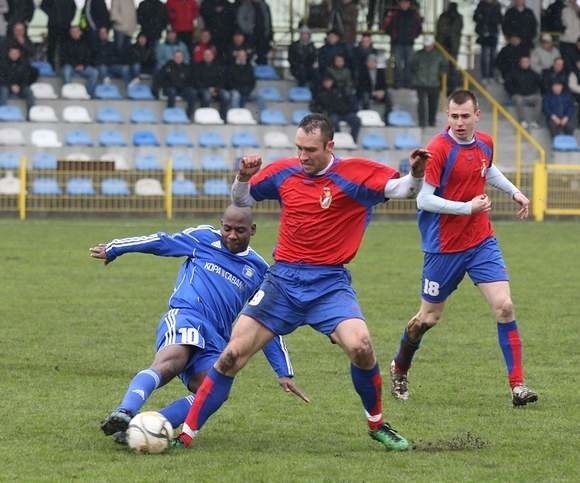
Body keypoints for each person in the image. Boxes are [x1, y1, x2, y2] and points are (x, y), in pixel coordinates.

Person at [174, 113, 430, 451]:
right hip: (282, 280)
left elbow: (403, 190)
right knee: (231, 356)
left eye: (310, 149)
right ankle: (186, 435)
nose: (303, 156)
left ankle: (377, 424)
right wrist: (242, 178)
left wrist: (416, 172)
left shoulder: (354, 173)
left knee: (361, 347)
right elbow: (242, 200)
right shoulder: (285, 172)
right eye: (298, 148)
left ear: (329, 145)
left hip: (329, 283)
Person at [93, 205, 305, 441]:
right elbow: (161, 242)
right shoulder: (203, 238)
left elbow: (265, 322)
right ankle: (125, 411)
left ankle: (143, 428)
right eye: (227, 229)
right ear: (220, 225)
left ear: (252, 230)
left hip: (216, 339)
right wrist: (115, 249)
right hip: (187, 315)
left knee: (212, 391)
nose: (232, 235)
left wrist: (284, 371)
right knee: (172, 361)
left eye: (240, 230)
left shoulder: (259, 269)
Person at [389, 89, 538, 408]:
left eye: (464, 116)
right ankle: (400, 366)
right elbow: (423, 199)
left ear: (477, 115)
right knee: (427, 319)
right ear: (447, 116)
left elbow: (487, 169)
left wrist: (514, 191)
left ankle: (518, 386)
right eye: (453, 116)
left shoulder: (485, 142)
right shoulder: (437, 149)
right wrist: (466, 208)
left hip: (481, 240)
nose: (458, 123)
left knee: (505, 306)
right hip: (443, 247)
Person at [381, 0, 423, 88]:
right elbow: (385, 26)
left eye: (406, 2)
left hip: (409, 44)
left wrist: (413, 36)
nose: (404, 4)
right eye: (403, 3)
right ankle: (398, 85)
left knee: (409, 65)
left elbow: (419, 27)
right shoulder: (393, 13)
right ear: (399, 4)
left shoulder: (414, 14)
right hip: (397, 44)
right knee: (398, 65)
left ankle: (408, 84)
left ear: (409, 4)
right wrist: (393, 35)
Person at [410, 35, 448, 127]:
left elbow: (444, 67)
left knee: (433, 104)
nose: (427, 47)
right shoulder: (418, 54)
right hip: (420, 83)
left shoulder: (439, 55)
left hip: (434, 83)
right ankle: (422, 123)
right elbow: (412, 67)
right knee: (421, 105)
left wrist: (439, 74)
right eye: (426, 45)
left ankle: (431, 121)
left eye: (429, 45)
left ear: (433, 44)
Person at [504, 56, 544, 129]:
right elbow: (507, 84)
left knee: (539, 99)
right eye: (523, 62)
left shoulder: (533, 73)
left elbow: (541, 84)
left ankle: (534, 122)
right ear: (520, 63)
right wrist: (513, 93)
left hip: (531, 95)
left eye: (527, 62)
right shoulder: (513, 73)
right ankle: (522, 121)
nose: (525, 64)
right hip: (518, 95)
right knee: (519, 100)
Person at [60, 25, 99, 97]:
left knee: (95, 73)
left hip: (83, 67)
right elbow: (64, 58)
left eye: (76, 31)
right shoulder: (65, 43)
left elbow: (89, 57)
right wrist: (75, 65)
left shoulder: (86, 43)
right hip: (70, 66)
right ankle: (68, 94)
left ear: (80, 32)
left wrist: (83, 65)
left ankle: (87, 94)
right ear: (70, 33)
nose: (74, 33)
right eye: (72, 31)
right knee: (66, 71)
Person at [0, 46, 37, 113]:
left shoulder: (24, 64)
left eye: (16, 53)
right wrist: (11, 86)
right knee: (3, 91)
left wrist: (19, 86)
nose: (14, 55)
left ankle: (32, 114)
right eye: (12, 53)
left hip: (20, 87)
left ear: (19, 54)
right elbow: (1, 78)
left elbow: (26, 78)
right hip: (6, 86)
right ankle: (2, 114)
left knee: (28, 91)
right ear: (9, 53)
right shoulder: (2, 63)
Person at [473, 0, 502, 82]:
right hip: (484, 33)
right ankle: (484, 76)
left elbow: (500, 19)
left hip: (493, 32)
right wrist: (481, 18)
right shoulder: (481, 5)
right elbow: (475, 17)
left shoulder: (497, 5)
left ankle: (491, 75)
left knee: (493, 55)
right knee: (484, 55)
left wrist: (493, 20)